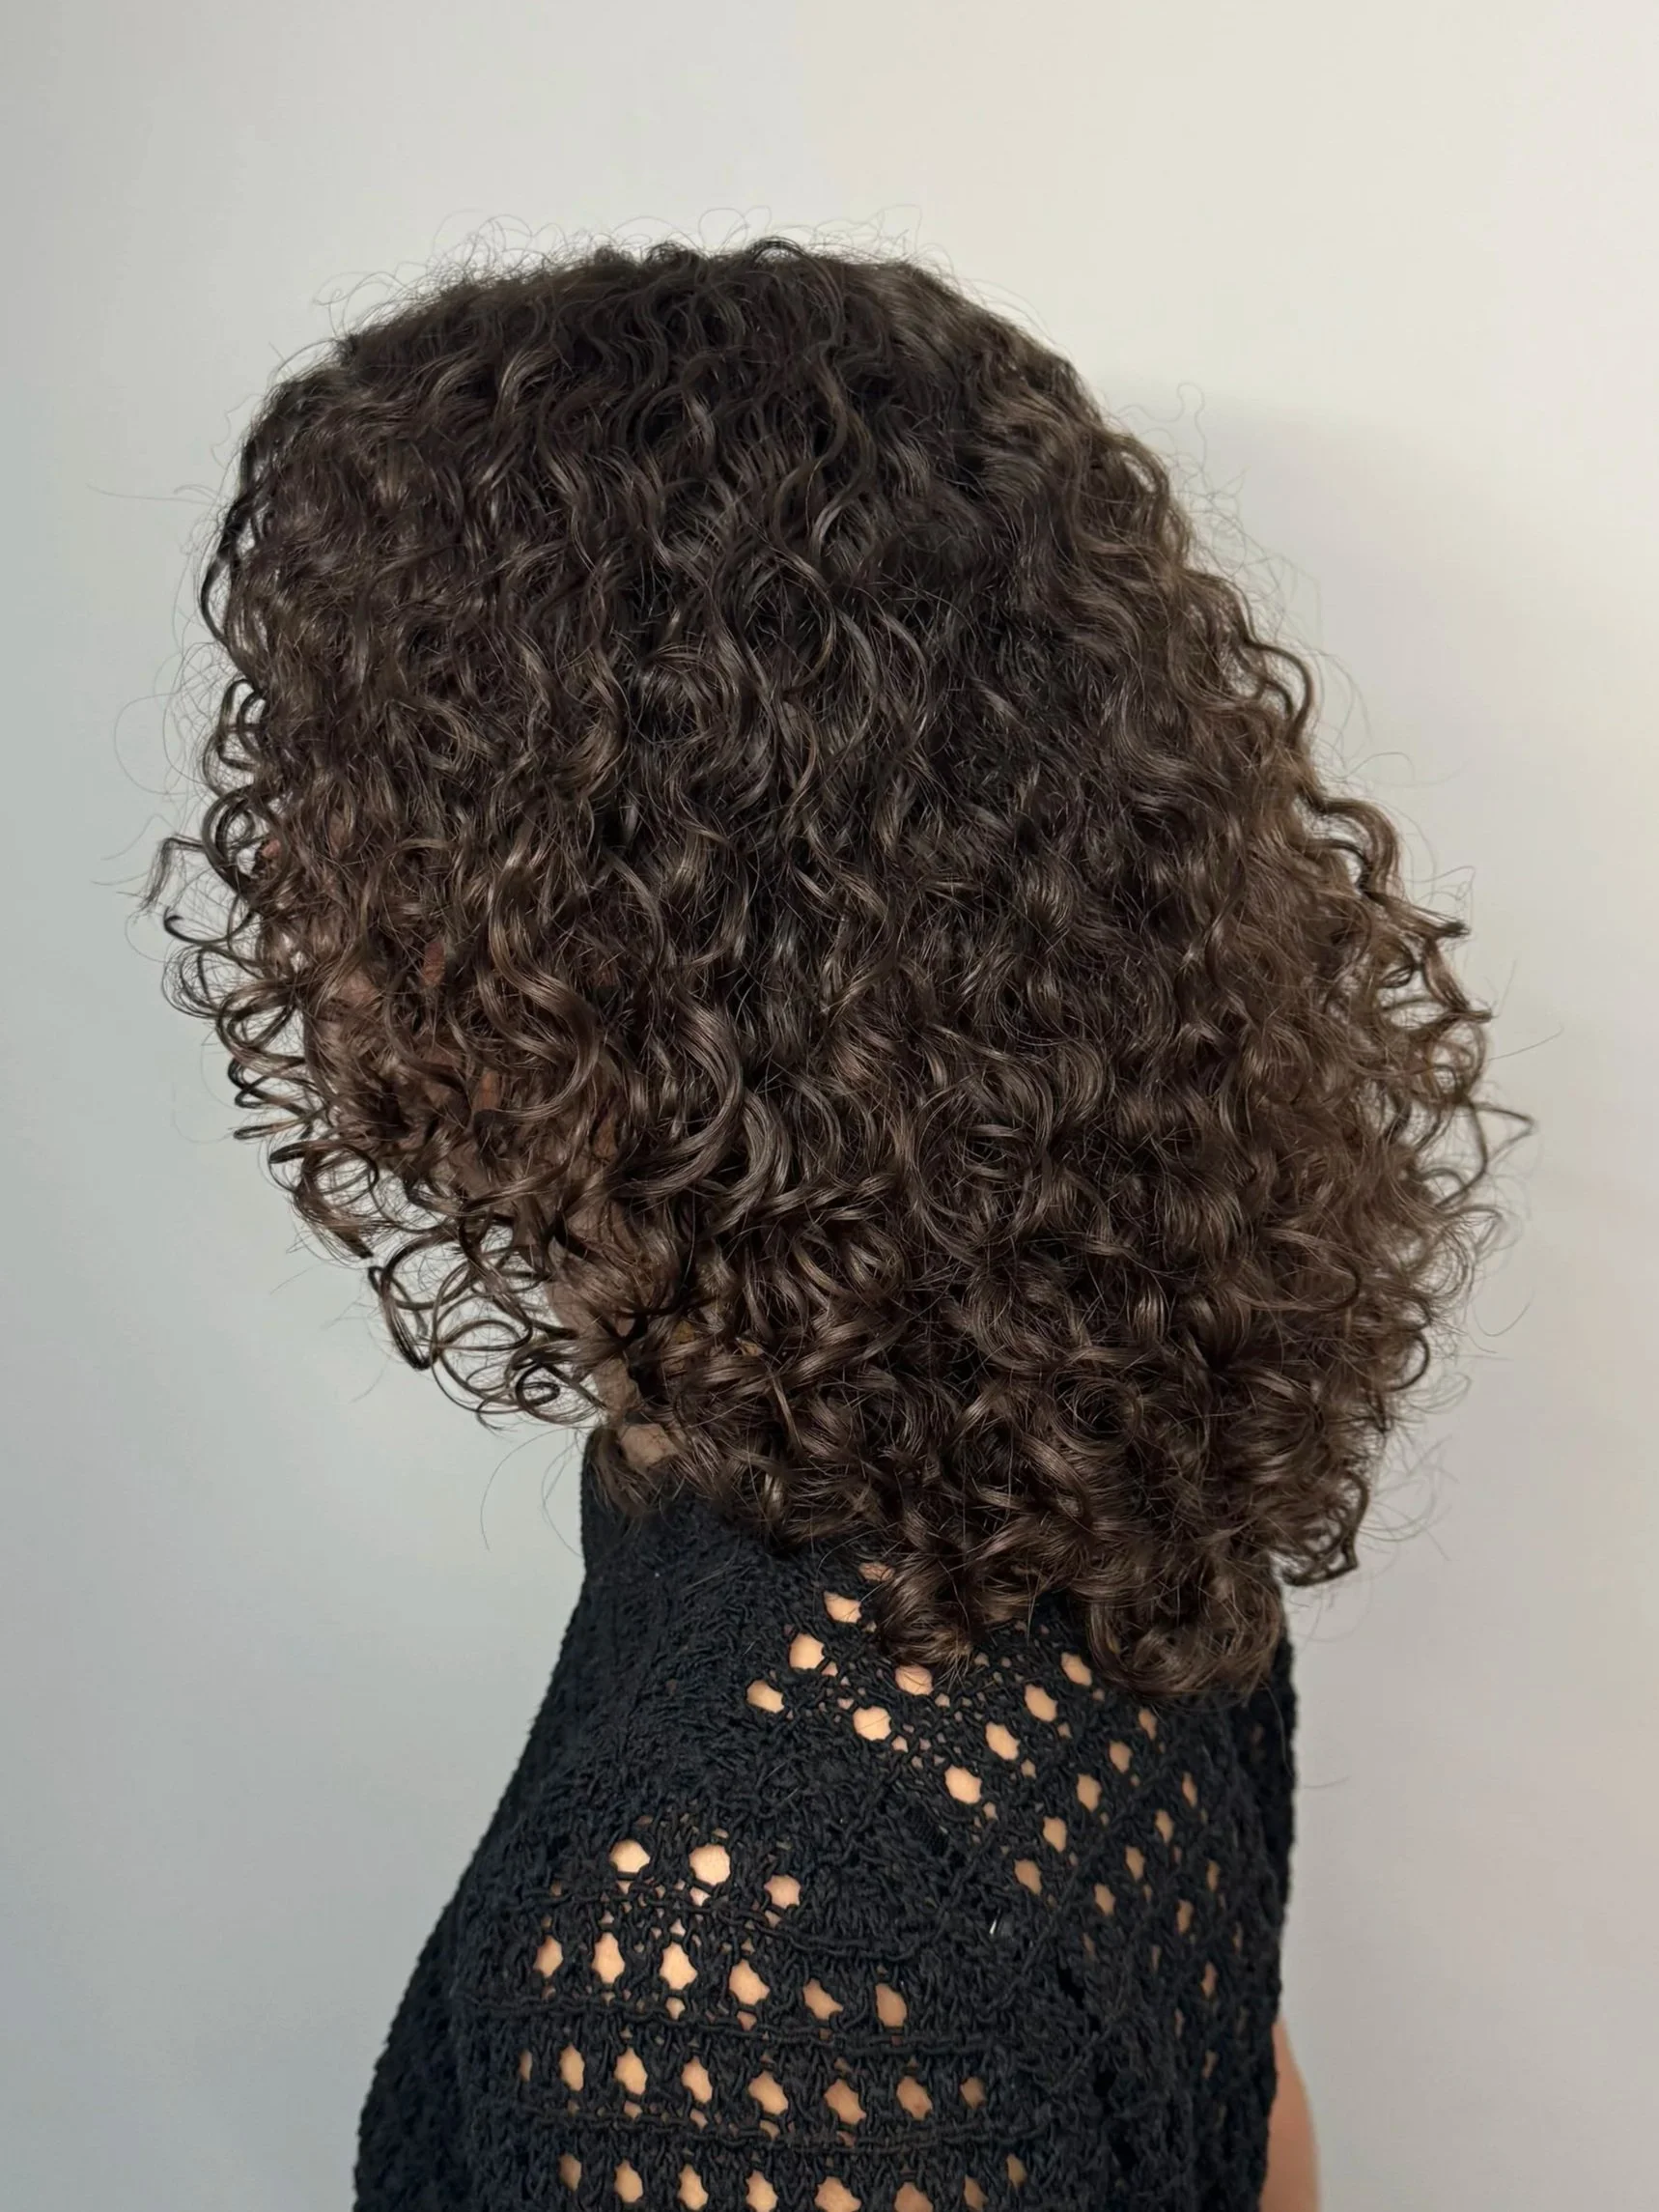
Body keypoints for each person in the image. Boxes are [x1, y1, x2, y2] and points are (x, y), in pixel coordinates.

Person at [139, 234, 1528, 2210]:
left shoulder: (716, 1946)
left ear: (571, 909)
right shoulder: (1059, 1473)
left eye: (363, 787)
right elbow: (1253, 2119)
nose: (295, 871)